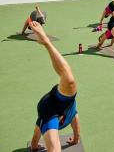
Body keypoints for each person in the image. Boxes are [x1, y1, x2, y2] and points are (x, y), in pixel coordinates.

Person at [28, 21, 80, 152]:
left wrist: (76, 139)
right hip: (50, 105)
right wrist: (75, 139)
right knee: (70, 81)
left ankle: (46, 42)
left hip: (53, 107)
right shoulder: (54, 115)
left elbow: (76, 128)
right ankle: (46, 41)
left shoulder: (65, 113)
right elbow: (76, 128)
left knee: (38, 137)